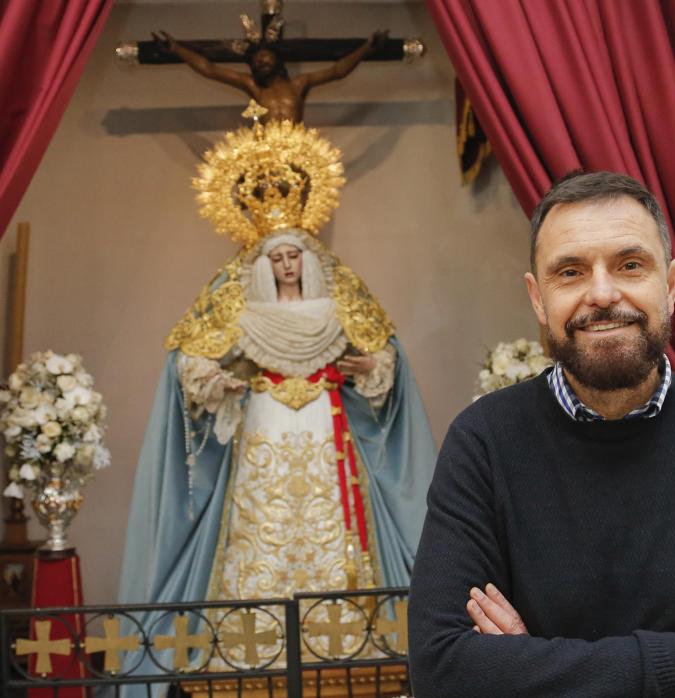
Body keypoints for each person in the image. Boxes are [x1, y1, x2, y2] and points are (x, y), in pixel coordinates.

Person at [407, 171, 675, 696]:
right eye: (570, 272)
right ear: (537, 298)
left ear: (671, 283)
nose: (602, 292)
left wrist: (534, 670)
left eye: (630, 265)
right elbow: (442, 670)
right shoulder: (483, 443)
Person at [118, 117, 436, 677]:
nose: (287, 265)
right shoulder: (241, 307)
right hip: (263, 421)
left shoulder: (338, 303)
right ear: (263, 265)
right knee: (257, 523)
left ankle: (344, 642)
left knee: (328, 523)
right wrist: (218, 381)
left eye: (294, 256)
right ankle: (249, 642)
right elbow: (189, 358)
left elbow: (385, 354)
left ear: (308, 259)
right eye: (277, 259)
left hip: (323, 421)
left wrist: (370, 366)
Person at [151, 28, 387, 123]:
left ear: (278, 61)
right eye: (256, 61)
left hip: (297, 149)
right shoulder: (253, 86)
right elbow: (210, 70)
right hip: (265, 152)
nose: (260, 63)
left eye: (265, 58)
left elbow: (337, 71)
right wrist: (177, 50)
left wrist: (365, 49)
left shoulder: (299, 84)